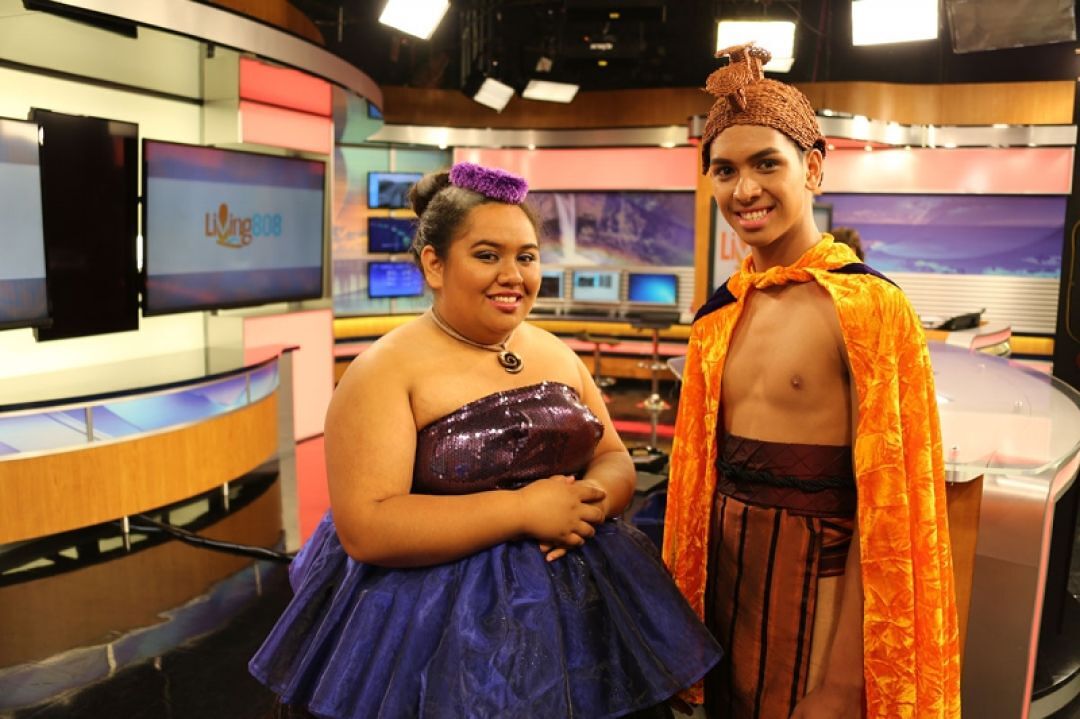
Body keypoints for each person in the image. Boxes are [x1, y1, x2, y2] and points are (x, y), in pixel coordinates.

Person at [250, 162, 721, 719]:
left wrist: (587, 503)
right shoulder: (383, 371)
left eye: (527, 257)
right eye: (487, 255)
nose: (512, 275)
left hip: (583, 617)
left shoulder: (556, 353)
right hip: (433, 630)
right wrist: (523, 511)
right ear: (434, 264)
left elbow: (613, 456)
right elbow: (367, 527)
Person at [662, 44, 961, 718]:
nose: (745, 190)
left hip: (820, 608)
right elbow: (695, 488)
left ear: (815, 168)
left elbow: (885, 509)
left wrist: (843, 685)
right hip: (726, 604)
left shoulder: (868, 307)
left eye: (767, 163)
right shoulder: (718, 317)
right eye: (725, 170)